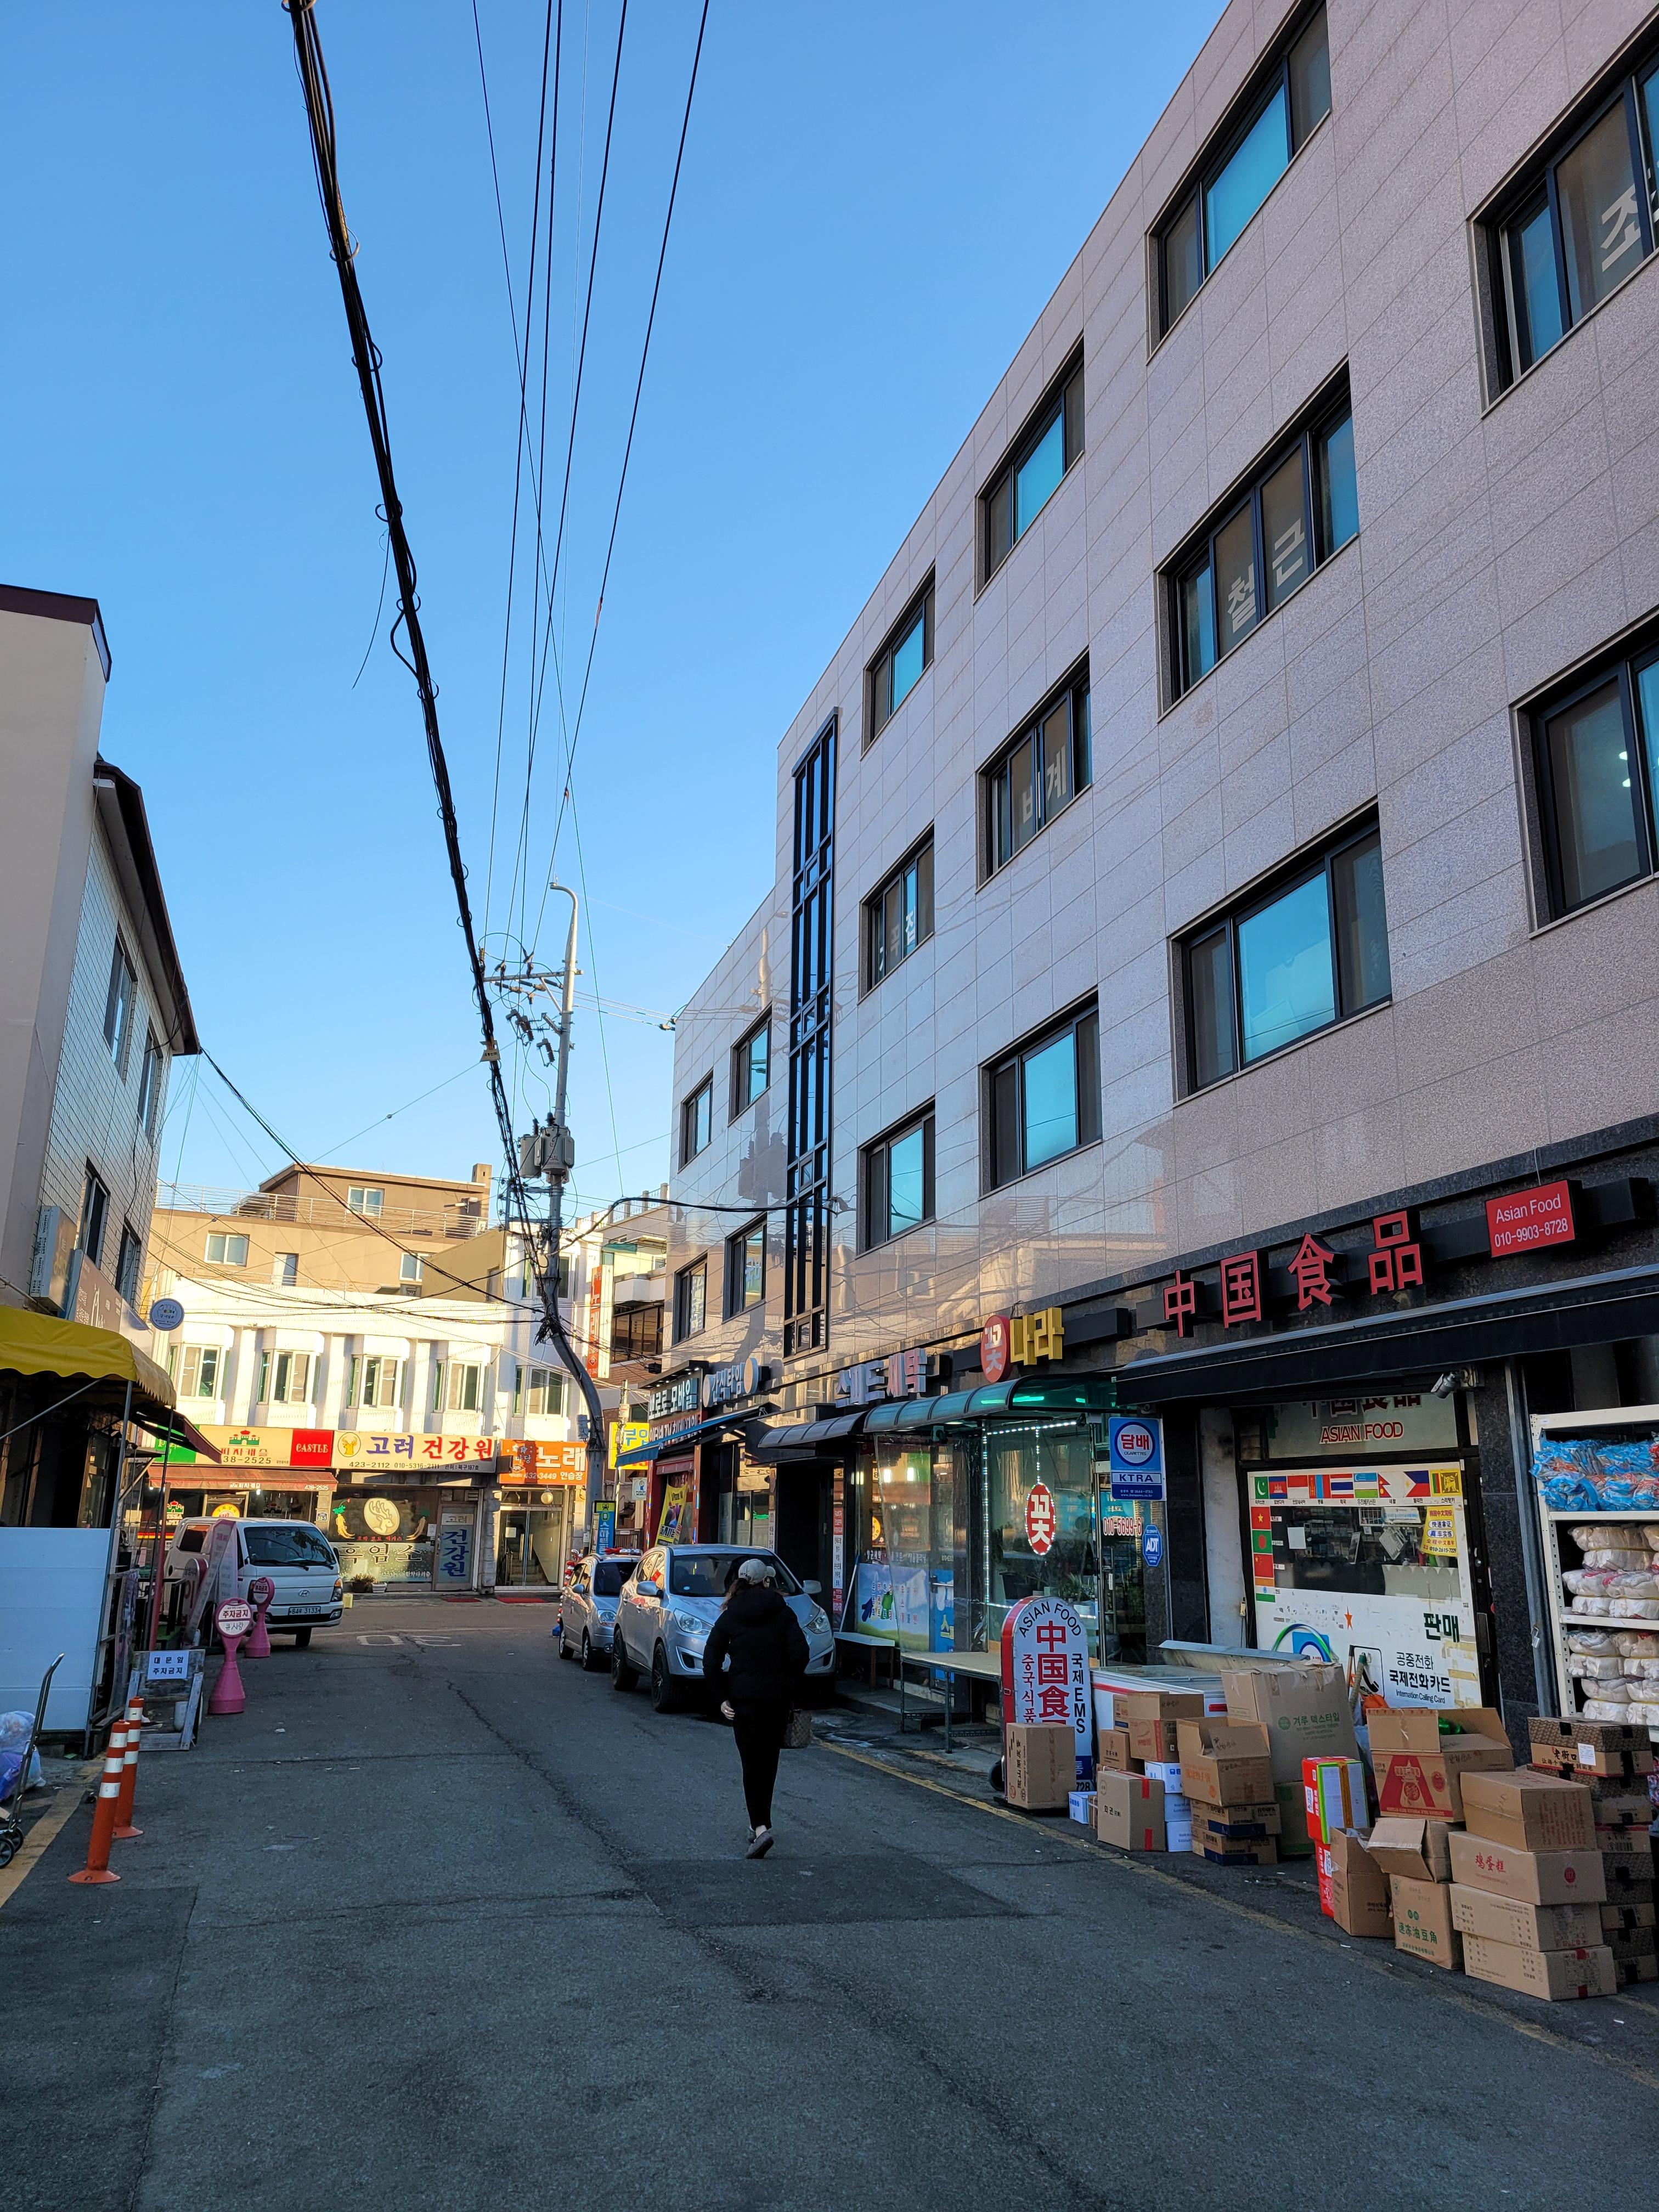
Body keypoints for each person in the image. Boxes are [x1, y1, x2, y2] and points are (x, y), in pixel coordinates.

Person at [700, 1556, 808, 1859]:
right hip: (775, 1701)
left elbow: (710, 1660)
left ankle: (760, 1828)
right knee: (768, 1763)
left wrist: (722, 1697)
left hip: (742, 1701)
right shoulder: (782, 1611)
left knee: (751, 1764)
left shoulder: (731, 1614)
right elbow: (801, 1654)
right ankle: (761, 1823)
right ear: (767, 1581)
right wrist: (787, 1685)